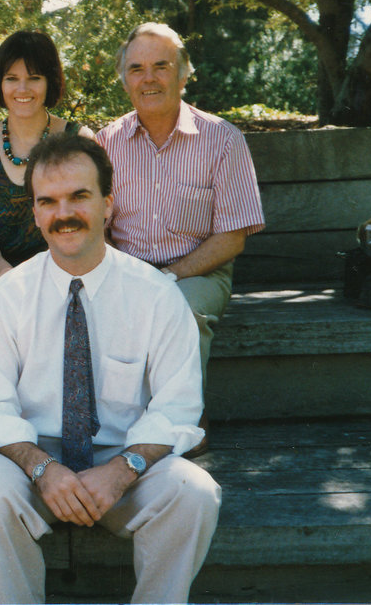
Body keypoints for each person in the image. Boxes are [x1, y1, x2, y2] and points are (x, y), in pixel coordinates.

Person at [0, 134, 221, 604]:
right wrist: (43, 468)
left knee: (195, 492)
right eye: (49, 202)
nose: (64, 214)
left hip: (127, 466)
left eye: (79, 196)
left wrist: (123, 469)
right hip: (33, 464)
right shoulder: (6, 297)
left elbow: (178, 407)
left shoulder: (156, 296)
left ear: (108, 204)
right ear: (36, 213)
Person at [95, 23, 265, 453]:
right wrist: (129, 275)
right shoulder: (105, 144)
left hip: (198, 273)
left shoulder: (222, 139)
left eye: (161, 66)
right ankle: (117, 425)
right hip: (125, 271)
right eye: (136, 69)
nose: (148, 78)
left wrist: (168, 276)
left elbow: (231, 238)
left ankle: (183, 423)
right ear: (124, 79)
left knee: (181, 308)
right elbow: (97, 228)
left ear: (184, 74)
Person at [0, 30, 93, 295]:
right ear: (0, 83)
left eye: (34, 78)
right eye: (12, 79)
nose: (22, 89)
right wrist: (2, 271)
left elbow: (89, 222)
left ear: (49, 82)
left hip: (66, 271)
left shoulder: (78, 139)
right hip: (1, 272)